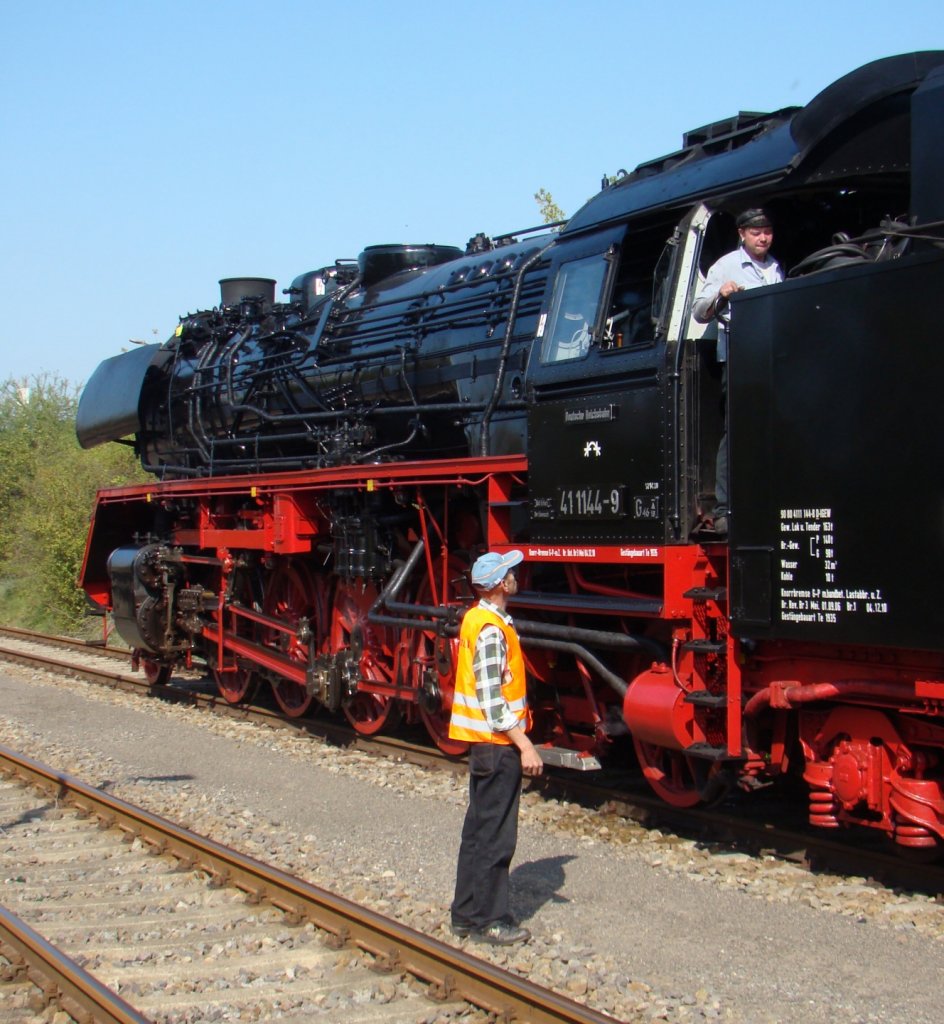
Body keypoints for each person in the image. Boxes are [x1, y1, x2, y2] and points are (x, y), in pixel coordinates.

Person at [448, 548, 544, 946]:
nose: (516, 576)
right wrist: (525, 745)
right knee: (496, 836)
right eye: (511, 572)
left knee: (477, 831)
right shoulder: (490, 629)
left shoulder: (477, 619)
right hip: (497, 745)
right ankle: (491, 919)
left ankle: (465, 915)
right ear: (500, 584)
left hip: (486, 747)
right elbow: (492, 701)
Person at [692, 208, 783, 535]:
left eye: (768, 231)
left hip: (771, 355)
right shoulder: (726, 265)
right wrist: (723, 293)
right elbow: (699, 311)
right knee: (737, 430)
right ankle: (726, 508)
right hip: (739, 355)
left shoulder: (774, 268)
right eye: (757, 232)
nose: (763, 237)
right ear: (742, 233)